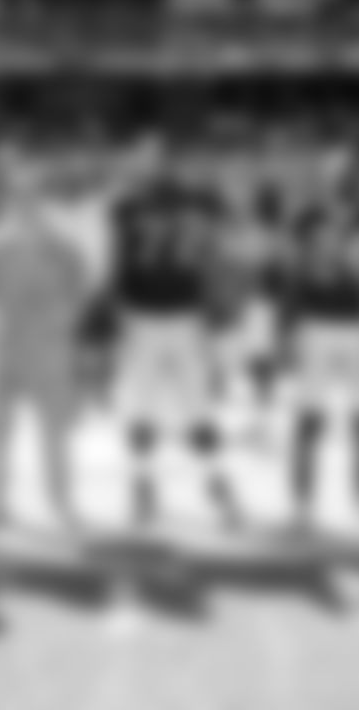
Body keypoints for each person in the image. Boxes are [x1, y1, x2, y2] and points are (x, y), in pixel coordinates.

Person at [0, 149, 102, 530]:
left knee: (54, 432)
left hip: (47, 348)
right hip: (2, 346)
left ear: (41, 198)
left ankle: (61, 503)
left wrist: (66, 325)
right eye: (18, 194)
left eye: (31, 193)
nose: (25, 200)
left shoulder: (63, 245)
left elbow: (81, 290)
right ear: (11, 199)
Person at [111, 175, 241, 530]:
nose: (159, 217)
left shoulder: (190, 234)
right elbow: (118, 279)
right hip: (145, 321)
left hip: (181, 322)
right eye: (154, 210)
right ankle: (144, 485)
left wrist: (215, 327)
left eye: (166, 210)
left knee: (194, 411)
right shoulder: (130, 231)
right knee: (143, 411)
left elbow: (213, 275)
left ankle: (214, 483)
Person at [276, 200, 359, 532]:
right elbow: (295, 276)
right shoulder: (311, 225)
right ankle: (303, 501)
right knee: (310, 413)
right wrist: (287, 330)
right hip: (317, 325)